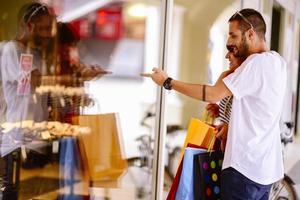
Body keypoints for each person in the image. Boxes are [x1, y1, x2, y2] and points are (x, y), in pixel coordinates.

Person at [142, 8, 287, 199]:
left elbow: (212, 93)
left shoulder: (256, 64)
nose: (229, 43)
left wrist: (168, 82)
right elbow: (257, 109)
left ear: (251, 33)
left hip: (244, 168)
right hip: (265, 169)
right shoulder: (277, 61)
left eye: (233, 36)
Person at [206, 49, 245, 152]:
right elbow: (233, 115)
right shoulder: (231, 78)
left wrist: (169, 83)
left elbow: (249, 122)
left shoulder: (246, 83)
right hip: (225, 154)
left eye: (232, 51)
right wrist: (220, 111)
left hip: (238, 157)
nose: (227, 56)